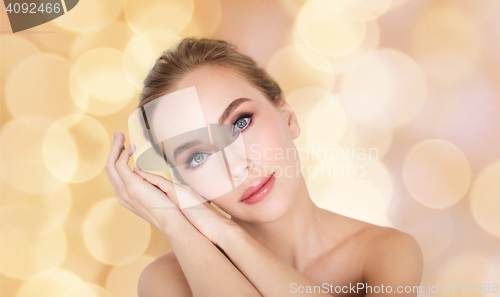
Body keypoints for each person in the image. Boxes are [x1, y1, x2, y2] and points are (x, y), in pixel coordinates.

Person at [105, 38, 423, 297]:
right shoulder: (166, 281)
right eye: (197, 157)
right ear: (183, 183)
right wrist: (174, 222)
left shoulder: (387, 252)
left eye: (240, 123)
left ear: (288, 115)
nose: (237, 166)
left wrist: (228, 235)